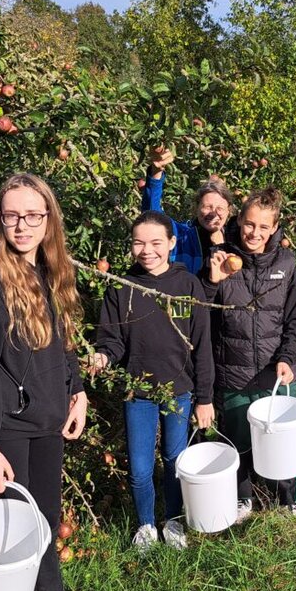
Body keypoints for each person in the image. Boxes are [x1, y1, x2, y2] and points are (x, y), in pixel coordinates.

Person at [0, 172, 97, 591]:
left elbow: (64, 342)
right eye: (12, 215)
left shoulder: (51, 268)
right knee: (10, 524)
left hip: (49, 417)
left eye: (33, 215)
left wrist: (76, 390)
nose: (22, 225)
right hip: (8, 426)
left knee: (45, 517)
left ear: (48, 219)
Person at [90, 211, 215, 550]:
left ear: (172, 243)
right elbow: (112, 340)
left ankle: (173, 520)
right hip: (138, 392)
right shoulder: (122, 287)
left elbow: (202, 345)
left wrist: (205, 398)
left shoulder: (188, 286)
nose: (147, 251)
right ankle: (146, 524)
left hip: (179, 390)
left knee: (175, 459)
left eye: (156, 242)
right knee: (140, 466)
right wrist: (103, 356)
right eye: (139, 243)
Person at [203, 187, 296, 523]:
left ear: (275, 227)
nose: (255, 233)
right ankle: (243, 498)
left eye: (264, 227)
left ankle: (286, 501)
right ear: (239, 220)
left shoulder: (285, 264)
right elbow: (201, 316)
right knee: (238, 439)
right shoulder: (220, 259)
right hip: (233, 373)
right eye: (250, 224)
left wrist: (288, 357)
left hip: (275, 374)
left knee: (282, 441)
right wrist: (212, 282)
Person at [140, 145, 235, 274]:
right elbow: (152, 216)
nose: (213, 213)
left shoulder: (235, 240)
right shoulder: (180, 235)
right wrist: (156, 173)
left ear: (228, 211)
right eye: (207, 207)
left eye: (220, 208)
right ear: (197, 208)